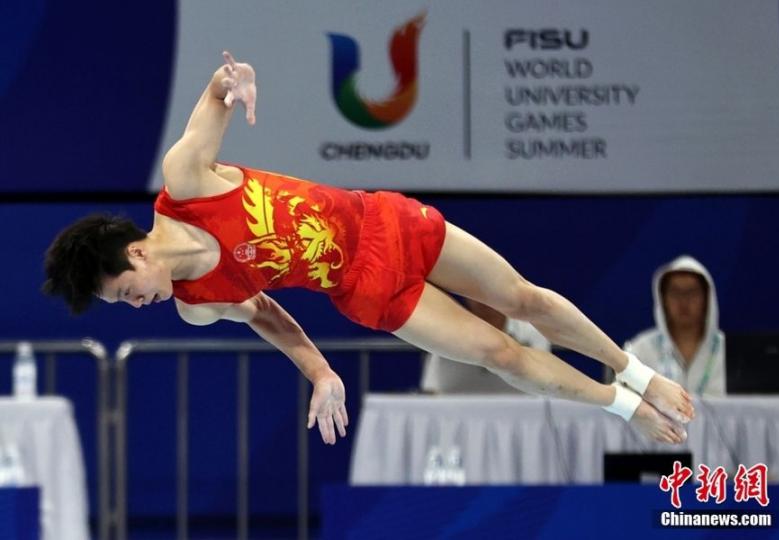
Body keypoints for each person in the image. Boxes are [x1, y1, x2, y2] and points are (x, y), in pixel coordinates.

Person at [42, 52, 694, 446]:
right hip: (365, 291)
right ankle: (625, 408)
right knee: (499, 353)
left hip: (384, 221)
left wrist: (232, 81)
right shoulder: (196, 304)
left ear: (134, 256)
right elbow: (269, 316)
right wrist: (321, 372)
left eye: (127, 294)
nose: (138, 306)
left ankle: (637, 372)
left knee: (518, 297)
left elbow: (214, 94)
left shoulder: (184, 180)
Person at [624, 255, 725, 397]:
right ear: (663, 299)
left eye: (692, 292)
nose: (684, 301)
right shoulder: (640, 350)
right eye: (675, 292)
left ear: (707, 298)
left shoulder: (726, 349)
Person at [421, 298, 550, 394]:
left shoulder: (532, 332)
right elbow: (431, 390)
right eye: (475, 293)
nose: (482, 299)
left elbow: (545, 387)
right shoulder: (446, 332)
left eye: (487, 292)